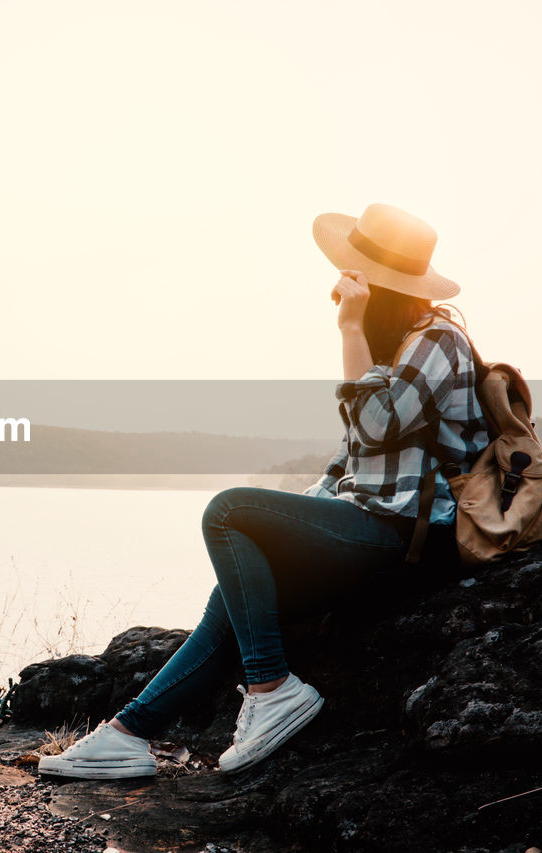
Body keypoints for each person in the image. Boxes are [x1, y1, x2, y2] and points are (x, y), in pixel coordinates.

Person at [38, 203, 489, 779]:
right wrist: (294, 527)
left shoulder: (437, 338)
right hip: (376, 525)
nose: (339, 285)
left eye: (351, 275)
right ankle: (128, 735)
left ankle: (271, 687)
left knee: (228, 512)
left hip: (417, 538)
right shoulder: (396, 342)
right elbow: (350, 463)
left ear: (375, 283)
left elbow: (374, 425)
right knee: (236, 596)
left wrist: (350, 329)